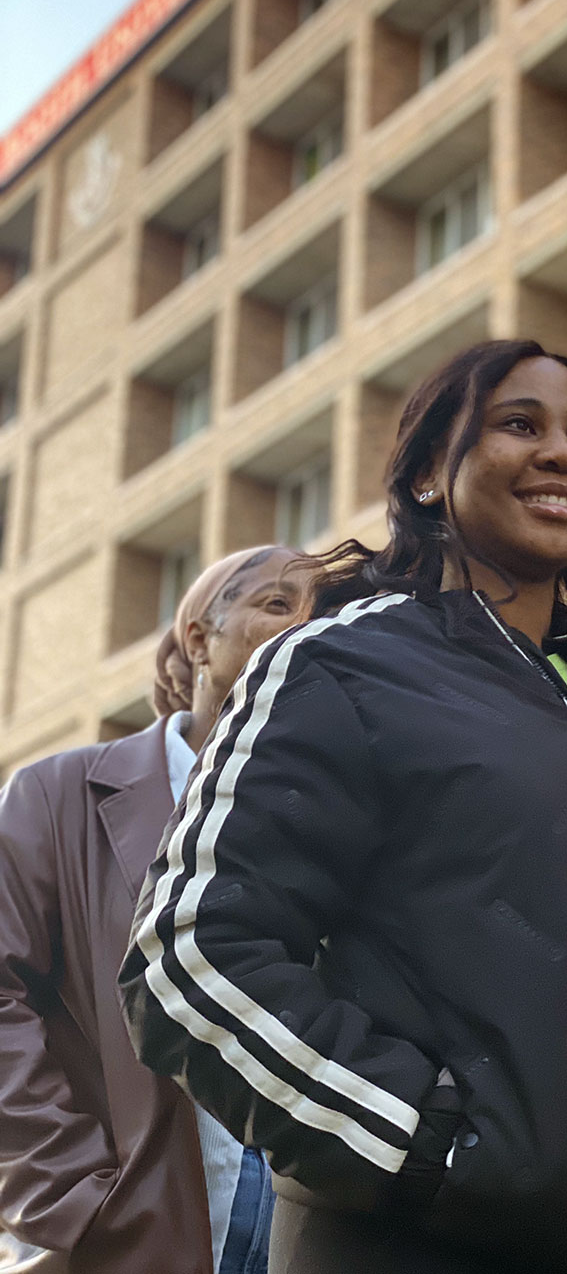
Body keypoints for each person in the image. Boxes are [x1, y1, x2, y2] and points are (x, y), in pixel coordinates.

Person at [119, 339, 567, 1274]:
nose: (562, 452)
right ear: (428, 474)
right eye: (519, 424)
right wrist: (430, 1150)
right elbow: (187, 960)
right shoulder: (337, 666)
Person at [0, 546, 307, 1274]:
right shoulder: (56, 796)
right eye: (277, 604)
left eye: (326, 615)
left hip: (318, 1238)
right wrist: (76, 1198)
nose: (308, 628)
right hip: (132, 1234)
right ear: (199, 638)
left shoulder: (353, 821)